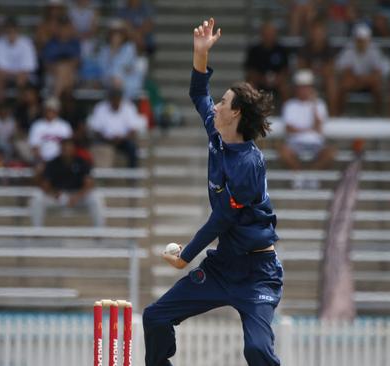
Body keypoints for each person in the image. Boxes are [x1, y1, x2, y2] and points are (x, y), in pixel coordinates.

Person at [143, 18, 283, 366]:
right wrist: (199, 55)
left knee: (257, 351)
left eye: (223, 102)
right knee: (155, 317)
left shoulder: (248, 164)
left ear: (235, 113)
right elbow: (198, 93)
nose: (216, 106)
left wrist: (185, 256)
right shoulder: (218, 133)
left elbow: (223, 218)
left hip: (257, 274)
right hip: (223, 267)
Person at [278, 69, 335, 188]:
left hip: (316, 143)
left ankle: (312, 175)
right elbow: (289, 129)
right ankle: (299, 175)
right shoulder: (290, 105)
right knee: (283, 151)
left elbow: (319, 127)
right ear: (296, 88)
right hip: (295, 143)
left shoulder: (319, 104)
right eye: (301, 87)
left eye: (307, 87)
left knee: (331, 152)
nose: (304, 90)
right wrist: (309, 129)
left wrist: (313, 104)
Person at [30, 138, 105, 227]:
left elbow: (89, 183)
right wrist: (55, 194)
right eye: (64, 147)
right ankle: (37, 232)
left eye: (69, 147)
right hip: (58, 197)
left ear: (74, 149)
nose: (66, 150)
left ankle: (100, 233)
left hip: (78, 197)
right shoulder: (52, 163)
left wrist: (77, 197)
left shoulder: (82, 162)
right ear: (60, 148)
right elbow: (46, 185)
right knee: (37, 196)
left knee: (96, 197)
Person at [336, 24, 390, 115]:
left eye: (363, 40)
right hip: (356, 82)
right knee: (344, 84)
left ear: (368, 40)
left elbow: (378, 73)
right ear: (355, 40)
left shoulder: (374, 49)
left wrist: (363, 79)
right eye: (359, 40)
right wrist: (363, 79)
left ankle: (378, 115)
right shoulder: (349, 49)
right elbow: (346, 72)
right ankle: (340, 115)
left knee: (377, 85)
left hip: (365, 82)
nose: (361, 43)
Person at [88, 86, 143, 168]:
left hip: (123, 140)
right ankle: (100, 175)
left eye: (118, 99)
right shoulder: (100, 108)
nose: (116, 102)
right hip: (104, 140)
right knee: (94, 146)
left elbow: (133, 129)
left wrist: (122, 138)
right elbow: (96, 130)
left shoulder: (128, 107)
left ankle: (132, 175)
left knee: (133, 148)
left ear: (121, 99)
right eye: (114, 99)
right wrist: (108, 138)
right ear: (110, 99)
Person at [244, 22, 290, 108]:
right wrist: (262, 79)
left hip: (277, 81)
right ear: (261, 35)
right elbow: (250, 70)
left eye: (271, 33)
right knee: (250, 86)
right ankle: (251, 113)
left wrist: (277, 79)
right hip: (259, 81)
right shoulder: (254, 50)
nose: (269, 36)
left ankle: (287, 113)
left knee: (285, 87)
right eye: (266, 33)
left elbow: (285, 70)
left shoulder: (281, 50)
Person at [0, 17, 38, 102]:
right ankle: (0, 105)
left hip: (24, 76)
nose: (11, 34)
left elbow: (28, 68)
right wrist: (14, 74)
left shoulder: (27, 43)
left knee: (21, 78)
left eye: (13, 31)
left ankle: (19, 107)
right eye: (8, 31)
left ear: (18, 30)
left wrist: (17, 74)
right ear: (4, 31)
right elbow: (0, 68)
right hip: (6, 75)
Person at [97, 19, 146, 99]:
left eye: (119, 35)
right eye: (114, 34)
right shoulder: (104, 50)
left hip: (128, 79)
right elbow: (102, 69)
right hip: (109, 80)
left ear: (123, 36)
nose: (116, 37)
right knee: (114, 81)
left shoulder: (129, 48)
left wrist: (120, 74)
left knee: (120, 82)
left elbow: (128, 67)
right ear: (110, 35)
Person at [297, 20, 337, 115]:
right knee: (301, 80)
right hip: (308, 78)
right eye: (315, 32)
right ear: (311, 33)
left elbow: (331, 67)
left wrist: (318, 70)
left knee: (332, 82)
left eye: (320, 32)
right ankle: (299, 113)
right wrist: (313, 71)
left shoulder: (328, 47)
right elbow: (301, 66)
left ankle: (333, 115)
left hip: (324, 77)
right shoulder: (305, 47)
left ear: (324, 33)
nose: (317, 34)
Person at [42, 18, 81, 97]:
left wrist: (64, 68)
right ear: (58, 29)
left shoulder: (75, 43)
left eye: (67, 28)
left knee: (64, 71)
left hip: (71, 72)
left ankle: (55, 98)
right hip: (53, 73)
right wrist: (59, 69)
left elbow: (76, 62)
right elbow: (47, 64)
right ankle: (66, 105)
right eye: (62, 28)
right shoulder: (51, 43)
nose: (65, 31)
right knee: (63, 73)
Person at [28, 97, 73, 164]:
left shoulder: (65, 126)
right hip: (42, 161)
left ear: (57, 110)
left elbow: (69, 147)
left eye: (53, 109)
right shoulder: (37, 125)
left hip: (60, 161)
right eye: (48, 109)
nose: (50, 112)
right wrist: (42, 161)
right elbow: (35, 147)